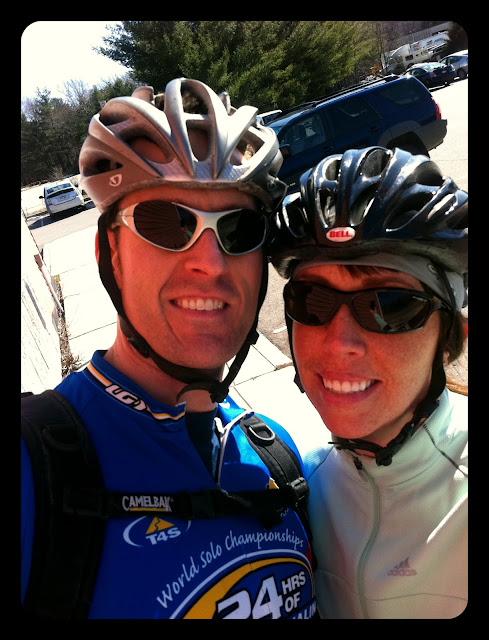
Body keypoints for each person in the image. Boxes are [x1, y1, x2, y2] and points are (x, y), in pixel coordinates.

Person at [21, 78, 317, 619]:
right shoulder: (33, 470)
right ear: (109, 252)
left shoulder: (279, 456)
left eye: (239, 228)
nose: (211, 262)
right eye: (168, 222)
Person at [268, 146, 468, 619]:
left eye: (389, 306)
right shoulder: (300, 482)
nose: (340, 343)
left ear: (450, 338)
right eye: (312, 300)